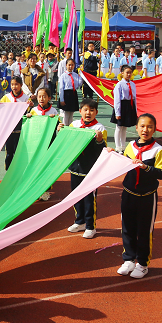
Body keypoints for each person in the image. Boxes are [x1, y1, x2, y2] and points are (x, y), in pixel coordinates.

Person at [114, 113, 162, 279]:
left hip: (147, 197)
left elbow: (161, 174)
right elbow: (122, 164)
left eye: (150, 126)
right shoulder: (130, 146)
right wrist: (111, 154)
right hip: (128, 194)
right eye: (142, 126)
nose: (145, 130)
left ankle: (142, 264)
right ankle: (129, 259)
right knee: (127, 229)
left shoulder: (158, 150)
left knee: (144, 231)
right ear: (136, 127)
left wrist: (145, 167)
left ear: (155, 129)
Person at [65, 98, 107, 238]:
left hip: (90, 170)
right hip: (75, 168)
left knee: (89, 199)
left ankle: (90, 226)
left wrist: (99, 140)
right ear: (80, 111)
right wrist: (61, 130)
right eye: (85, 110)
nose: (88, 113)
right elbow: (67, 140)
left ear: (96, 112)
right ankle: (79, 221)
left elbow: (103, 150)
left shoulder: (100, 128)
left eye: (91, 110)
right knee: (76, 196)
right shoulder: (75, 124)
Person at [110, 65, 138, 152]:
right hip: (122, 106)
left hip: (129, 106)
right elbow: (117, 99)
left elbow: (134, 98)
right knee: (119, 127)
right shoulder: (119, 85)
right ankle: (117, 146)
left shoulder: (132, 84)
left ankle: (123, 145)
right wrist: (117, 113)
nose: (129, 74)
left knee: (125, 127)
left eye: (130, 73)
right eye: (127, 72)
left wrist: (135, 110)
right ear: (122, 73)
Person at [57, 58, 82, 127]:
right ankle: (65, 127)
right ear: (66, 65)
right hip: (66, 94)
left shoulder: (76, 75)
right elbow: (61, 88)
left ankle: (70, 126)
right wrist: (62, 99)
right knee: (66, 113)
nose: (70, 67)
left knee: (71, 113)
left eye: (72, 65)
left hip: (73, 94)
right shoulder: (63, 76)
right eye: (69, 65)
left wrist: (81, 76)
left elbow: (78, 85)